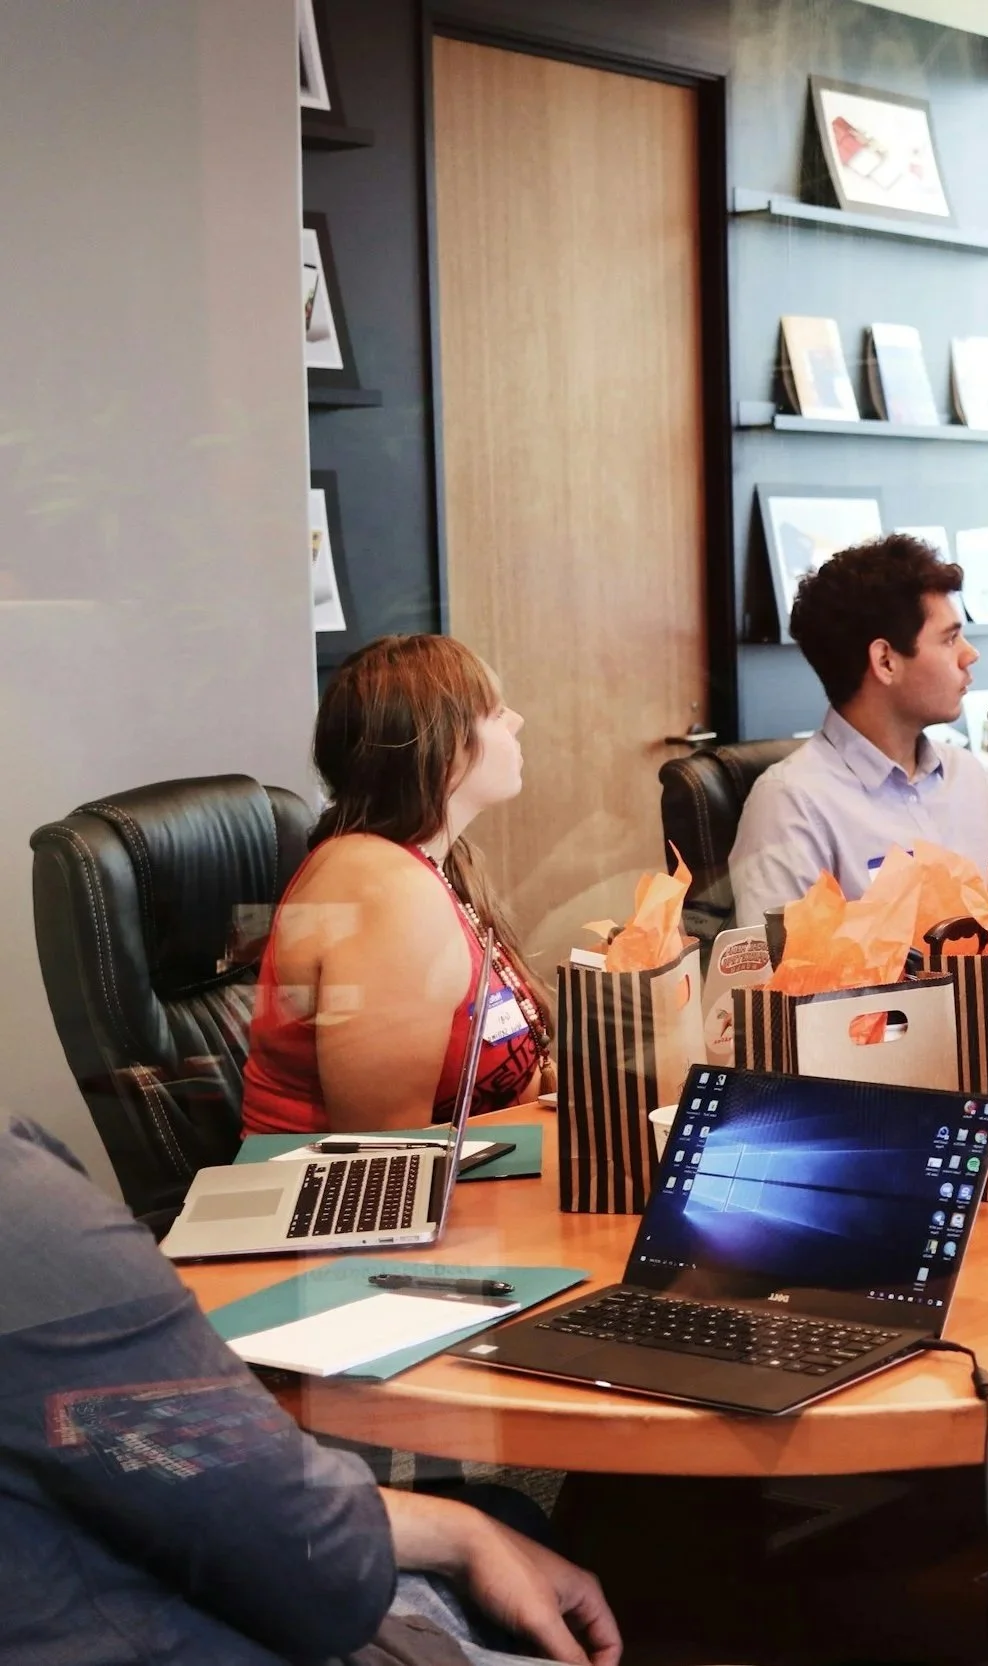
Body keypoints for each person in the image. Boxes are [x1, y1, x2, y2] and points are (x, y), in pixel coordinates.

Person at [0, 1113, 620, 1666]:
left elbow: (152, 1464)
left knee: (506, 1516)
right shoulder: (23, 1213)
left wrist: (463, 1532)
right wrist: (459, 1537)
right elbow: (319, 1583)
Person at [241, 635, 550, 1137]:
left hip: (466, 1170)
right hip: (341, 1203)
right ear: (441, 747)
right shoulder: (385, 889)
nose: (516, 722)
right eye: (493, 714)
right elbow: (384, 1156)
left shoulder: (436, 862)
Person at [729, 534, 988, 923]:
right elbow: (777, 978)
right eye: (949, 639)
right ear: (885, 661)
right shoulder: (791, 804)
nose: (970, 654)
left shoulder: (968, 777)